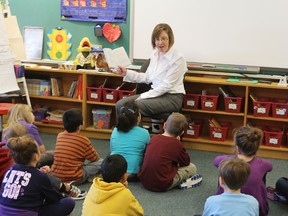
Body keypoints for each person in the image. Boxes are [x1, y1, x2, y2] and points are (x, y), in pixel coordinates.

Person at [114, 23, 187, 117]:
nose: (160, 42)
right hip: (155, 94)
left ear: (170, 39)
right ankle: (121, 131)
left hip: (171, 98)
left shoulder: (178, 58)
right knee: (120, 104)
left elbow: (166, 86)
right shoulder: (155, 54)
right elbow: (147, 77)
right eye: (157, 39)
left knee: (133, 108)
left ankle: (136, 132)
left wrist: (143, 96)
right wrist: (126, 72)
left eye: (163, 38)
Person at [0, 135, 75, 216]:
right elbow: (54, 199)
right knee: (69, 202)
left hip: (3, 212)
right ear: (36, 156)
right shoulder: (40, 176)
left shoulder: (10, 170)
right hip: (28, 212)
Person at [213, 126, 273, 216]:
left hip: (224, 209)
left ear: (237, 148)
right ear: (256, 148)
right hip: (254, 208)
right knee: (261, 177)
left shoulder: (224, 160)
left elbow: (216, 161)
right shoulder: (263, 164)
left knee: (225, 169)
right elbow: (270, 167)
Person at [137, 113, 201, 192]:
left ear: (164, 125)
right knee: (192, 167)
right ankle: (182, 182)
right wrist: (179, 143)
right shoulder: (177, 144)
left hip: (144, 181)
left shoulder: (154, 138)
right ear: (182, 133)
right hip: (162, 184)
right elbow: (186, 162)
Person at [51, 108, 103, 184]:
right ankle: (91, 176)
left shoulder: (60, 135)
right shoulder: (84, 140)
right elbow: (95, 158)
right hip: (75, 177)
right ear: (79, 126)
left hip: (57, 176)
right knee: (101, 162)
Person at [110, 101, 150, 181]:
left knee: (112, 152)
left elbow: (112, 148)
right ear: (138, 118)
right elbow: (147, 152)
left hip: (116, 172)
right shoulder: (144, 133)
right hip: (133, 174)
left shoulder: (115, 130)